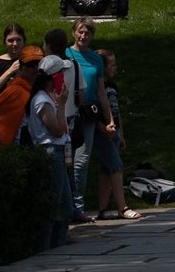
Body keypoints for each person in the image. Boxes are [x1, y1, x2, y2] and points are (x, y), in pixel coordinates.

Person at [65, 18, 117, 221]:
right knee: (66, 161)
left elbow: (101, 92)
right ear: (73, 32)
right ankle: (68, 205)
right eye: (80, 32)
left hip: (88, 115)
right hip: (68, 113)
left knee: (81, 161)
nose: (83, 36)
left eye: (87, 33)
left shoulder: (96, 60)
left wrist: (109, 118)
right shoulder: (66, 55)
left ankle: (78, 207)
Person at [30, 54, 75, 249]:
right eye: (62, 73)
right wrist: (63, 103)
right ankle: (45, 246)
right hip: (50, 152)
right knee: (54, 202)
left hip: (57, 151)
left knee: (66, 205)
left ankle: (59, 244)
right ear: (53, 77)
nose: (64, 77)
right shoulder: (42, 100)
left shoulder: (50, 97)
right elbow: (56, 129)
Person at [90, 49, 139, 220]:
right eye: (112, 65)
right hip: (103, 132)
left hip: (115, 131)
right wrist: (102, 128)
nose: (115, 68)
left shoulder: (113, 86)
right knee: (116, 167)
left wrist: (121, 133)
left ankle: (102, 209)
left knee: (106, 170)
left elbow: (117, 110)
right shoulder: (96, 87)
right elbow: (92, 112)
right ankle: (122, 207)